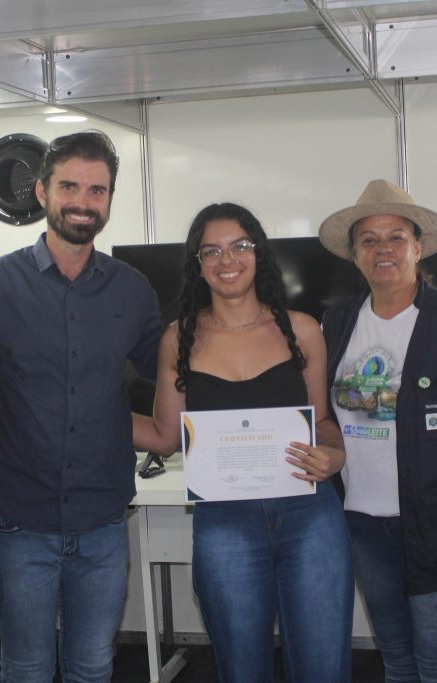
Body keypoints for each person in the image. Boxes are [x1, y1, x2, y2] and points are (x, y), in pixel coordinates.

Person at [0, 130, 163, 683]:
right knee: (26, 666)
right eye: (69, 186)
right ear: (42, 191)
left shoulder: (132, 290)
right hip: (17, 519)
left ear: (110, 199)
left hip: (102, 519)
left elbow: (170, 368)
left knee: (93, 664)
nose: (83, 201)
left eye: (97, 190)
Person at [134, 202, 354, 683]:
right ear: (197, 263)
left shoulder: (302, 329)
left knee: (322, 667)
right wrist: (86, 412)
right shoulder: (178, 338)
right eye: (211, 251)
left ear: (258, 253)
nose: (226, 260)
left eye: (239, 246)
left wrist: (334, 455)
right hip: (225, 521)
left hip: (309, 515)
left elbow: (321, 421)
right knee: (240, 669)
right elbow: (165, 436)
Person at [318, 180, 437, 683]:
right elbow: (324, 416)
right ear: (354, 254)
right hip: (363, 523)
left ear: (418, 247)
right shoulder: (336, 322)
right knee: (397, 659)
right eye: (369, 240)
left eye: (396, 237)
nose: (383, 249)